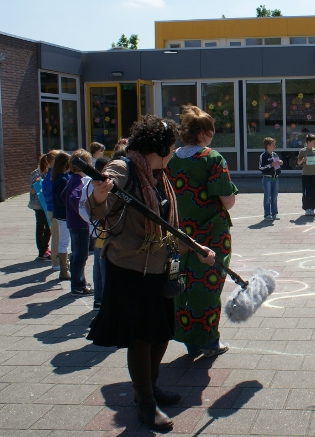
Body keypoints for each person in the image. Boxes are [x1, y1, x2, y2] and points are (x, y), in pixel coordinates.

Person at [86, 115, 216, 432]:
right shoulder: (124, 168)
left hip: (161, 266)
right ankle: (144, 401)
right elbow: (96, 203)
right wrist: (100, 193)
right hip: (131, 269)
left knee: (161, 331)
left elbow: (166, 226)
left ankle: (152, 385)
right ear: (159, 147)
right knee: (141, 338)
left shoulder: (157, 174)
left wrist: (196, 248)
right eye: (170, 147)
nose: (173, 152)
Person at [167, 105, 238, 358]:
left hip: (179, 232)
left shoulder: (171, 158)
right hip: (210, 233)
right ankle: (210, 340)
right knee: (209, 285)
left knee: (181, 284)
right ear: (204, 132)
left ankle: (190, 339)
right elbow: (226, 199)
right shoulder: (212, 158)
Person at [80, 156, 111, 309]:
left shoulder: (89, 185)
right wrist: (96, 221)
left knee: (98, 265)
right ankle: (101, 298)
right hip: (101, 230)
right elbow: (83, 208)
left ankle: (99, 298)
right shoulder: (93, 186)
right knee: (101, 266)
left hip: (98, 230)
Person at [64, 149, 94, 296]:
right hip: (80, 224)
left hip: (73, 222)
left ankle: (78, 282)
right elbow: (75, 198)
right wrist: (83, 213)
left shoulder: (71, 179)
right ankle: (78, 286)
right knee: (81, 256)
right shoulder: (80, 181)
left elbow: (64, 195)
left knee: (77, 254)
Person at [51, 151, 72, 281]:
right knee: (64, 241)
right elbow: (61, 200)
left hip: (59, 214)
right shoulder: (62, 179)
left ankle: (64, 268)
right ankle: (64, 270)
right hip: (64, 214)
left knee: (63, 241)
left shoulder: (58, 176)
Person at [29, 153, 52, 261]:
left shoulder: (50, 172)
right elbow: (32, 191)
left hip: (47, 204)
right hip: (38, 205)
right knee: (41, 227)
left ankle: (45, 249)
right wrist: (37, 184)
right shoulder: (36, 173)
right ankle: (42, 252)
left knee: (48, 227)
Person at [42, 150, 61, 271]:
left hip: (52, 209)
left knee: (57, 236)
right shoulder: (52, 177)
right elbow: (50, 195)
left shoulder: (49, 175)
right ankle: (56, 262)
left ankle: (58, 260)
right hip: (54, 209)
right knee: (57, 237)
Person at [297, 133, 315, 216]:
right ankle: (307, 208)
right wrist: (302, 160)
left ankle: (312, 207)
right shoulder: (302, 151)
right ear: (308, 142)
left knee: (314, 192)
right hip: (306, 175)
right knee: (306, 192)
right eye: (313, 142)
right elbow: (298, 162)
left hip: (314, 174)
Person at [259, 137, 281, 220]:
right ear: (268, 146)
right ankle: (267, 214)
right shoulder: (263, 156)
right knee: (267, 197)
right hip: (267, 179)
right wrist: (270, 165)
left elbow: (277, 165)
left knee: (274, 197)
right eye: (273, 145)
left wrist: (280, 163)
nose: (274, 146)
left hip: (275, 178)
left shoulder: (275, 154)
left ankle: (274, 213)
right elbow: (261, 168)